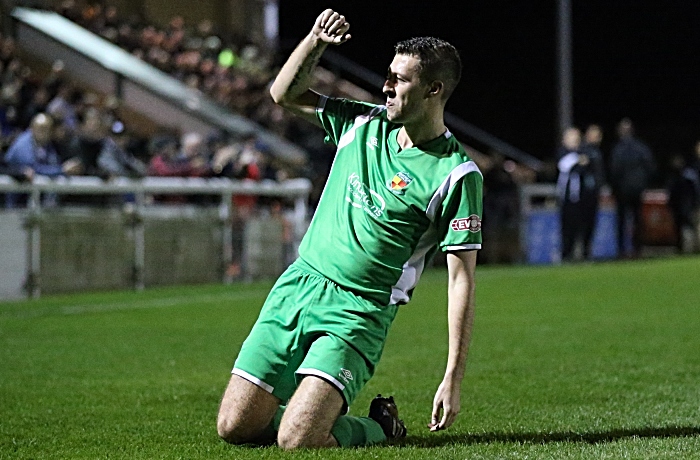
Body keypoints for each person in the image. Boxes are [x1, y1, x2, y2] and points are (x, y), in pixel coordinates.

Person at [216, 9, 483, 450]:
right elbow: (284, 93)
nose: (386, 86)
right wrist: (315, 42)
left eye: (400, 80)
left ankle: (380, 426)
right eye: (388, 75)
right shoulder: (361, 123)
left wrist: (452, 375)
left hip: (358, 311)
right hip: (299, 285)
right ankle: (304, 410)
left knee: (298, 441)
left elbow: (461, 279)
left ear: (434, 89)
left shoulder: (456, 175)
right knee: (234, 427)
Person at [609, 118, 655, 258]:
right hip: (637, 189)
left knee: (622, 220)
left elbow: (614, 170)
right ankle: (637, 248)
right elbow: (650, 168)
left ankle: (622, 250)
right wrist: (644, 184)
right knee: (637, 219)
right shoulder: (641, 148)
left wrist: (614, 187)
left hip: (622, 190)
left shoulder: (618, 149)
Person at [556, 127, 600, 261]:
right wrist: (579, 161)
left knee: (585, 225)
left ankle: (585, 253)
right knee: (568, 227)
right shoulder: (562, 153)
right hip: (567, 198)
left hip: (583, 198)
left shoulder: (585, 151)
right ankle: (566, 254)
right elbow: (565, 166)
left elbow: (587, 166)